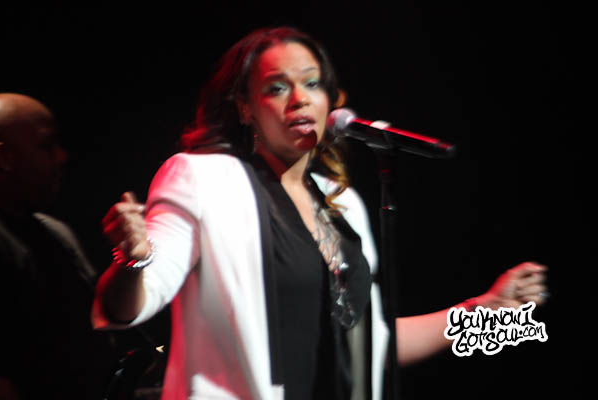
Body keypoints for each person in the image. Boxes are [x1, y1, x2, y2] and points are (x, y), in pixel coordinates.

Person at [92, 27, 548, 400]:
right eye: (277, 88)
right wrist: (133, 259)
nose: (299, 99)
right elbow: (129, 307)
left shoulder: (342, 203)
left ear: (332, 100)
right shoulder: (203, 179)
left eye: (311, 83)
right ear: (245, 107)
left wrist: (489, 310)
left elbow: (373, 344)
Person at [0, 93, 118, 399]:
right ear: (3, 158)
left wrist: (130, 259)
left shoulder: (56, 233)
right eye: (46, 146)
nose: (62, 157)